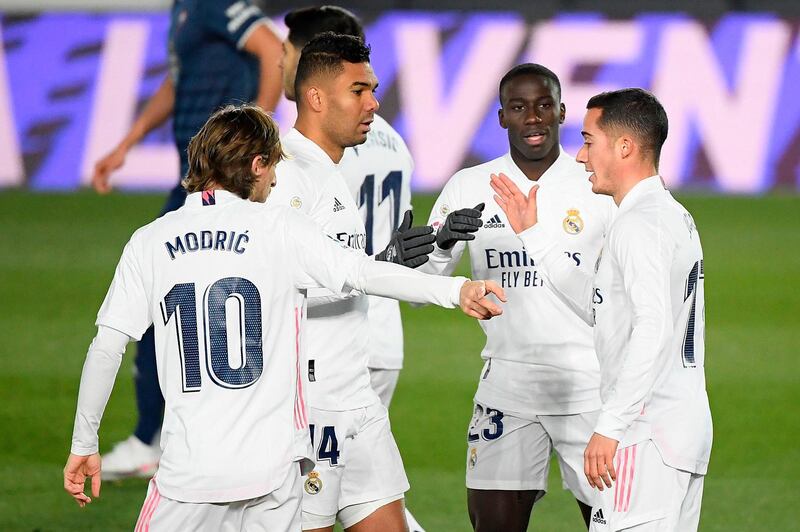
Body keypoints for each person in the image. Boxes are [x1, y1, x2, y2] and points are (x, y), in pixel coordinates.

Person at [63, 104, 505, 530]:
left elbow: (107, 347)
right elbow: (363, 272)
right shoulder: (279, 229)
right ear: (255, 165)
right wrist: (455, 289)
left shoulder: (149, 242)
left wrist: (84, 444)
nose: (276, 181)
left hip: (188, 477)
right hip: (273, 474)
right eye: (272, 166)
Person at [490, 88, 712, 531]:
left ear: (625, 147)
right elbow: (602, 304)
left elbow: (652, 327)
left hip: (646, 432)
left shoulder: (639, 225)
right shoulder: (668, 214)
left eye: (589, 141)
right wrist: (535, 236)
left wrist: (610, 426)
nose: (579, 156)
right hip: (679, 428)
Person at [89, 0, 285, 479]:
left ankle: (153, 437)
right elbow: (179, 83)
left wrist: (250, 139)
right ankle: (170, 434)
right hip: (198, 179)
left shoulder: (215, 3)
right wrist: (127, 143)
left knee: (165, 302)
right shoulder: (185, 10)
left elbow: (273, 51)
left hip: (222, 183)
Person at [420, 63, 615, 530]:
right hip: (507, 386)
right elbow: (423, 286)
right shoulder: (468, 186)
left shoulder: (596, 186)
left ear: (563, 112)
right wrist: (443, 241)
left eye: (544, 105)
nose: (533, 117)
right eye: (519, 107)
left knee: (616, 523)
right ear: (502, 117)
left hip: (587, 386)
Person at [268, 33, 434, 532]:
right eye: (359, 90)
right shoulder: (288, 176)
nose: (374, 102)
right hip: (311, 403)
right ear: (316, 98)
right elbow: (278, 287)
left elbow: (333, 269)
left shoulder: (331, 170)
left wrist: (377, 262)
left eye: (374, 89)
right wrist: (374, 268)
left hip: (355, 395)